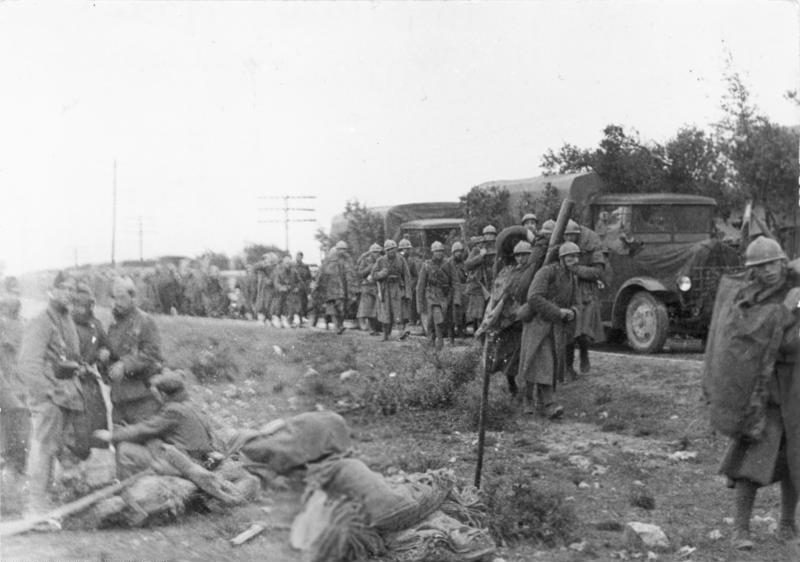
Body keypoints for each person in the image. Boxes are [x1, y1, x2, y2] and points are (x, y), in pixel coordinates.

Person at [716, 237, 800, 550]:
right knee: (751, 462)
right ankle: (741, 529)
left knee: (795, 462)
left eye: (772, 263)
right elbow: (749, 335)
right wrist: (785, 310)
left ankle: (788, 524)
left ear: (782, 261)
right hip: (763, 393)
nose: (768, 271)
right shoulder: (748, 298)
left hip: (795, 390)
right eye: (759, 266)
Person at [94, 372, 258, 504]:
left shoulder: (173, 410)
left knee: (124, 450)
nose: (155, 397)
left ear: (164, 394)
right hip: (204, 458)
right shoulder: (188, 406)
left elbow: (145, 429)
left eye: (157, 394)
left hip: (187, 462)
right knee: (151, 445)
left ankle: (127, 494)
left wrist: (112, 435)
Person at [18, 272, 83, 515]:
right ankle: (35, 507)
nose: (69, 293)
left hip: (66, 396)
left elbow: (70, 356)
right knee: (42, 449)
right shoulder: (41, 320)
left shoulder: (67, 319)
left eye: (73, 289)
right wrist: (48, 393)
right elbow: (27, 364)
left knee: (53, 450)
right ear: (52, 290)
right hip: (49, 398)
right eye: (64, 288)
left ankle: (45, 503)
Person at [515, 243, 580, 418]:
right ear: (561, 258)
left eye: (576, 256)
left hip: (556, 327)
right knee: (538, 361)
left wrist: (573, 312)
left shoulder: (572, 277)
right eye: (570, 257)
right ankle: (543, 403)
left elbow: (575, 302)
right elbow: (534, 296)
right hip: (538, 323)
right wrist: (557, 312)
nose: (575, 260)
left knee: (548, 363)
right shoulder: (547, 272)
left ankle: (536, 401)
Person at [107, 276, 164, 425]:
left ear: (132, 297)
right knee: (120, 443)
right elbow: (113, 356)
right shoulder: (113, 326)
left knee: (144, 443)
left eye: (122, 298)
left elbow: (153, 354)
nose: (117, 303)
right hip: (119, 399)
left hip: (142, 399)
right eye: (114, 298)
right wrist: (105, 359)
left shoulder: (145, 321)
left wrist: (126, 364)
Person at [485, 240, 535, 397]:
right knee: (508, 354)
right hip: (510, 319)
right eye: (518, 255)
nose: (521, 258)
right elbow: (499, 293)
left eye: (525, 255)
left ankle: (529, 391)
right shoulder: (509, 272)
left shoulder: (535, 271)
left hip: (529, 315)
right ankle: (512, 385)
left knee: (528, 355)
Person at [71, 282, 112, 458]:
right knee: (77, 423)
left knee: (98, 417)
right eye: (78, 305)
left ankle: (98, 456)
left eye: (85, 306)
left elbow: (107, 346)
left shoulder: (95, 324)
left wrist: (105, 354)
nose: (81, 310)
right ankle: (76, 456)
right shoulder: (67, 325)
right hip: (72, 381)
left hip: (90, 381)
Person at [563, 219, 607, 378]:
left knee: (584, 332)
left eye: (572, 236)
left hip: (585, 292)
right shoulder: (558, 244)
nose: (569, 239)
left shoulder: (591, 241)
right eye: (566, 236)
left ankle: (584, 355)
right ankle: (568, 367)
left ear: (578, 234)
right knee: (567, 333)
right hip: (565, 290)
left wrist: (576, 269)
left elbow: (598, 272)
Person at [0, 288, 28, 512]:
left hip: (16, 395)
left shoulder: (19, 327)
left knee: (16, 451)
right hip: (9, 395)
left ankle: (11, 502)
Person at [417, 241, 460, 351]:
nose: (439, 254)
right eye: (436, 251)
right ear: (432, 252)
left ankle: (432, 338)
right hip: (432, 294)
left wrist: (456, 298)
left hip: (446, 295)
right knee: (437, 317)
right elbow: (421, 286)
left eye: (441, 251)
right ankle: (439, 342)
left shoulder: (448, 264)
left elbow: (455, 281)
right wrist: (420, 303)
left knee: (443, 319)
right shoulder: (427, 265)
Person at [371, 239, 412, 341]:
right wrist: (382, 274)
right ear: (385, 251)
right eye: (389, 250)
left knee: (399, 311)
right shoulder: (380, 260)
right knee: (386, 311)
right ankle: (385, 335)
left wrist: (408, 292)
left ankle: (401, 333)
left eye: (393, 249)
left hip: (398, 288)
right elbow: (374, 275)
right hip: (385, 289)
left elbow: (407, 276)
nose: (392, 251)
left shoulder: (401, 259)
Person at [318, 241, 359, 334]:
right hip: (332, 289)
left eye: (344, 249)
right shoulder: (329, 260)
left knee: (343, 309)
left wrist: (353, 287)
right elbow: (323, 273)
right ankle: (337, 327)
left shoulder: (348, 260)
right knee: (333, 309)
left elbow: (352, 274)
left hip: (344, 289)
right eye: (340, 249)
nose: (342, 251)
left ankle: (339, 325)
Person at [356, 243, 382, 335]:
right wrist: (369, 268)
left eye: (378, 252)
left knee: (377, 308)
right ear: (370, 252)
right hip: (367, 286)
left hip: (378, 286)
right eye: (374, 252)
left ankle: (377, 328)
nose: (376, 254)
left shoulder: (382, 260)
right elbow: (360, 273)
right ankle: (371, 328)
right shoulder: (365, 260)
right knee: (368, 308)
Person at [445, 241, 468, 342]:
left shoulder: (463, 264)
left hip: (462, 291)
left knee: (461, 314)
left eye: (460, 251)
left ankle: (461, 334)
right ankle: (451, 337)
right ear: (453, 252)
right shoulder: (448, 263)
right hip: (451, 291)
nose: (459, 253)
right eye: (457, 251)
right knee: (450, 315)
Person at [399, 239, 422, 326]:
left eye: (408, 249)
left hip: (409, 286)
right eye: (406, 249)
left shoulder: (410, 261)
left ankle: (412, 319)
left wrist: (412, 284)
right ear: (401, 249)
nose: (408, 251)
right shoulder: (397, 260)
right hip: (398, 286)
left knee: (411, 302)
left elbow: (416, 275)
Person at [295, 252, 312, 325]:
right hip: (296, 287)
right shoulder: (293, 266)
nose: (298, 257)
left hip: (304, 287)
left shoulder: (305, 266)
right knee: (297, 302)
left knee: (304, 302)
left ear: (302, 257)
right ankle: (298, 317)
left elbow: (309, 277)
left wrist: (307, 284)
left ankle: (304, 316)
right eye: (297, 256)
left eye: (299, 256)